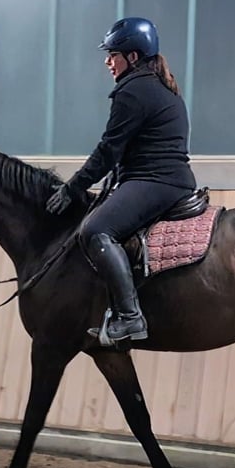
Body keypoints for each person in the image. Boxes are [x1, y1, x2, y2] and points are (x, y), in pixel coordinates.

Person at [45, 17, 197, 342]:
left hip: (157, 181)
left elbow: (108, 151)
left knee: (95, 230)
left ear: (133, 56)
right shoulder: (158, 86)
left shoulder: (134, 91)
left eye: (113, 54)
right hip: (167, 178)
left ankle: (130, 317)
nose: (107, 61)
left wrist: (73, 188)